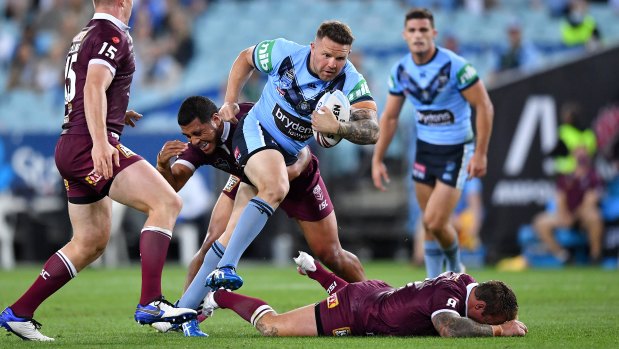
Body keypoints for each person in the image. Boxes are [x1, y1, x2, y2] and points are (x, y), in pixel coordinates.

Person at [0, 0, 196, 341]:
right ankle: (151, 302)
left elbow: (93, 87)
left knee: (90, 241)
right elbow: (92, 86)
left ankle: (18, 313)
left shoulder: (86, 33)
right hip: (91, 145)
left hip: (72, 146)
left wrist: (118, 112)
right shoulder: (111, 34)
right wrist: (101, 140)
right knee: (167, 203)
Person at [153, 96, 366, 335]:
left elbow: (302, 149)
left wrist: (286, 174)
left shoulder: (249, 115)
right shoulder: (200, 144)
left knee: (331, 254)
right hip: (246, 181)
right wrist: (163, 167)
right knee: (212, 241)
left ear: (215, 120)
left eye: (197, 133)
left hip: (298, 178)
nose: (193, 141)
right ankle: (184, 313)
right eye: (188, 136)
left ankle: (371, 296)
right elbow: (176, 182)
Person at [208, 20, 379, 290]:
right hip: (258, 143)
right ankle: (188, 305)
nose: (333, 63)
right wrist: (230, 100)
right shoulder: (284, 53)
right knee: (216, 235)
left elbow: (372, 130)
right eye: (326, 55)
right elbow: (245, 58)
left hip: (297, 160)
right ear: (313, 48)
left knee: (331, 253)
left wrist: (338, 127)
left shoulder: (350, 79)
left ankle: (377, 297)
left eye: (340, 58)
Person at [371, 8, 494, 278]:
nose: (418, 35)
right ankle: (432, 282)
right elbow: (390, 117)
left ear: (433, 33)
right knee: (427, 223)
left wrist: (481, 154)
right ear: (405, 35)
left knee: (435, 220)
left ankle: (456, 271)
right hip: (425, 151)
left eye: (423, 30)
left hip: (456, 151)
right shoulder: (401, 70)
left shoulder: (456, 67)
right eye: (413, 31)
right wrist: (377, 158)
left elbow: (484, 106)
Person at [201, 251, 528, 337]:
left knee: (357, 299)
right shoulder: (450, 298)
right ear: (479, 305)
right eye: (487, 318)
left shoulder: (466, 281)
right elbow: (450, 327)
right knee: (272, 327)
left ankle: (317, 271)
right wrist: (499, 330)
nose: (485, 325)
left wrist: (499, 321)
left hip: (375, 294)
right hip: (356, 309)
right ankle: (221, 296)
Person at [533, 147, 604, 264]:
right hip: (567, 215)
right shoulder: (566, 177)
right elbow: (560, 198)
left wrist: (574, 216)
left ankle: (595, 256)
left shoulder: (594, 176)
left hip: (582, 216)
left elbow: (590, 200)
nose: (580, 158)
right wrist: (564, 215)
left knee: (595, 217)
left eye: (583, 155)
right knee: (540, 222)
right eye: (578, 155)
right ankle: (563, 256)